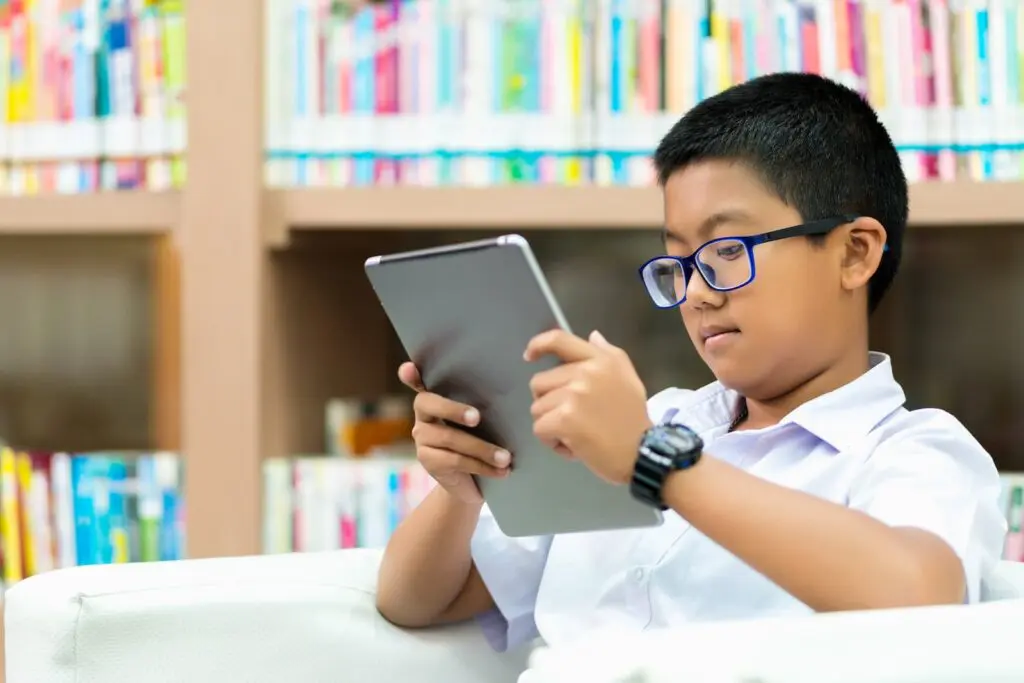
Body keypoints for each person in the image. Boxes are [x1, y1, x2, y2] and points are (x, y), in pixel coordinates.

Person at [374, 72, 1006, 653]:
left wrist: (653, 461)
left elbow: (919, 596)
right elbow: (417, 602)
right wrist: (463, 487)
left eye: (728, 250)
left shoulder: (916, 451)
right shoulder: (642, 422)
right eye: (680, 261)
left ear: (854, 254)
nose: (699, 292)